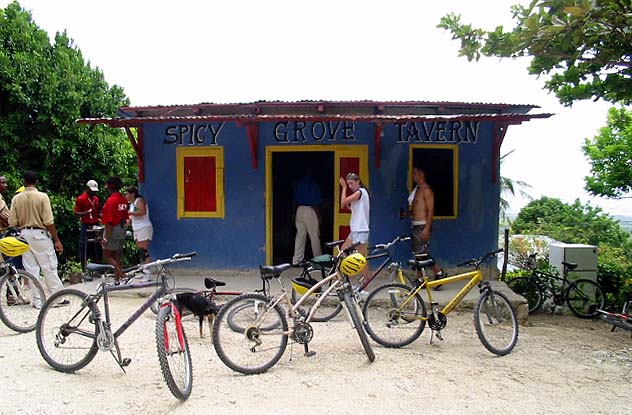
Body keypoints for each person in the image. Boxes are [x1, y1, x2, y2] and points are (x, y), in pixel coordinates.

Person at [8, 170, 65, 308]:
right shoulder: (42, 197)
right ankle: (56, 298)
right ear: (37, 182)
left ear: (23, 182)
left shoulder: (17, 198)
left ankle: (38, 301)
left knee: (31, 269)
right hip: (40, 234)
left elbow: (12, 221)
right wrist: (56, 239)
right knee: (49, 267)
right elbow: (49, 221)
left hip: (23, 235)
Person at [408, 165, 446, 289]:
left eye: (415, 173)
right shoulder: (417, 190)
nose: (413, 176)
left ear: (421, 174)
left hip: (422, 225)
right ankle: (421, 279)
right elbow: (416, 209)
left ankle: (439, 273)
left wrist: (427, 228)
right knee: (418, 254)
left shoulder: (426, 190)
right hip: (415, 225)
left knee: (423, 254)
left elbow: (430, 210)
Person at [100, 177, 129, 283]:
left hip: (112, 230)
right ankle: (117, 280)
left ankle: (122, 275)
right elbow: (126, 217)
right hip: (122, 229)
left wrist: (105, 238)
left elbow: (109, 222)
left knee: (107, 255)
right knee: (117, 255)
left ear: (110, 188)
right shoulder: (123, 199)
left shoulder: (110, 201)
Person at [291, 170, 322, 265]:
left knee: (300, 236)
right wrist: (319, 216)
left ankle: (296, 260)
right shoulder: (314, 185)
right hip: (310, 209)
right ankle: (318, 260)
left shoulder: (298, 185)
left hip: (299, 209)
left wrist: (293, 213)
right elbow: (316, 202)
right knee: (314, 236)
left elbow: (294, 200)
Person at [339, 172, 370, 259]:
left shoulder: (359, 192)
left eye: (352, 183)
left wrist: (344, 187)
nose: (350, 186)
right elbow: (347, 206)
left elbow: (343, 202)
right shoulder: (360, 194)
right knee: (343, 251)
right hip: (356, 229)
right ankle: (341, 272)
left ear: (358, 181)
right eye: (348, 184)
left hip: (360, 229)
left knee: (361, 258)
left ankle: (367, 273)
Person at [74, 179, 101, 270]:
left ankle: (98, 268)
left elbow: (97, 212)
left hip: (95, 224)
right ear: (87, 188)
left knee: (96, 246)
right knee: (84, 246)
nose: (93, 193)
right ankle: (83, 269)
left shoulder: (96, 199)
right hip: (86, 224)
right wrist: (85, 213)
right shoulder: (81, 199)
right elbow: (76, 213)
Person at [125, 186, 153, 267]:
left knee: (143, 250)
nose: (126, 196)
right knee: (141, 250)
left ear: (132, 194)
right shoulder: (132, 205)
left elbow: (142, 211)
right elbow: (130, 219)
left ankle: (147, 272)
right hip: (137, 229)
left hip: (143, 227)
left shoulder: (139, 200)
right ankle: (146, 268)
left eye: (127, 194)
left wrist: (130, 213)